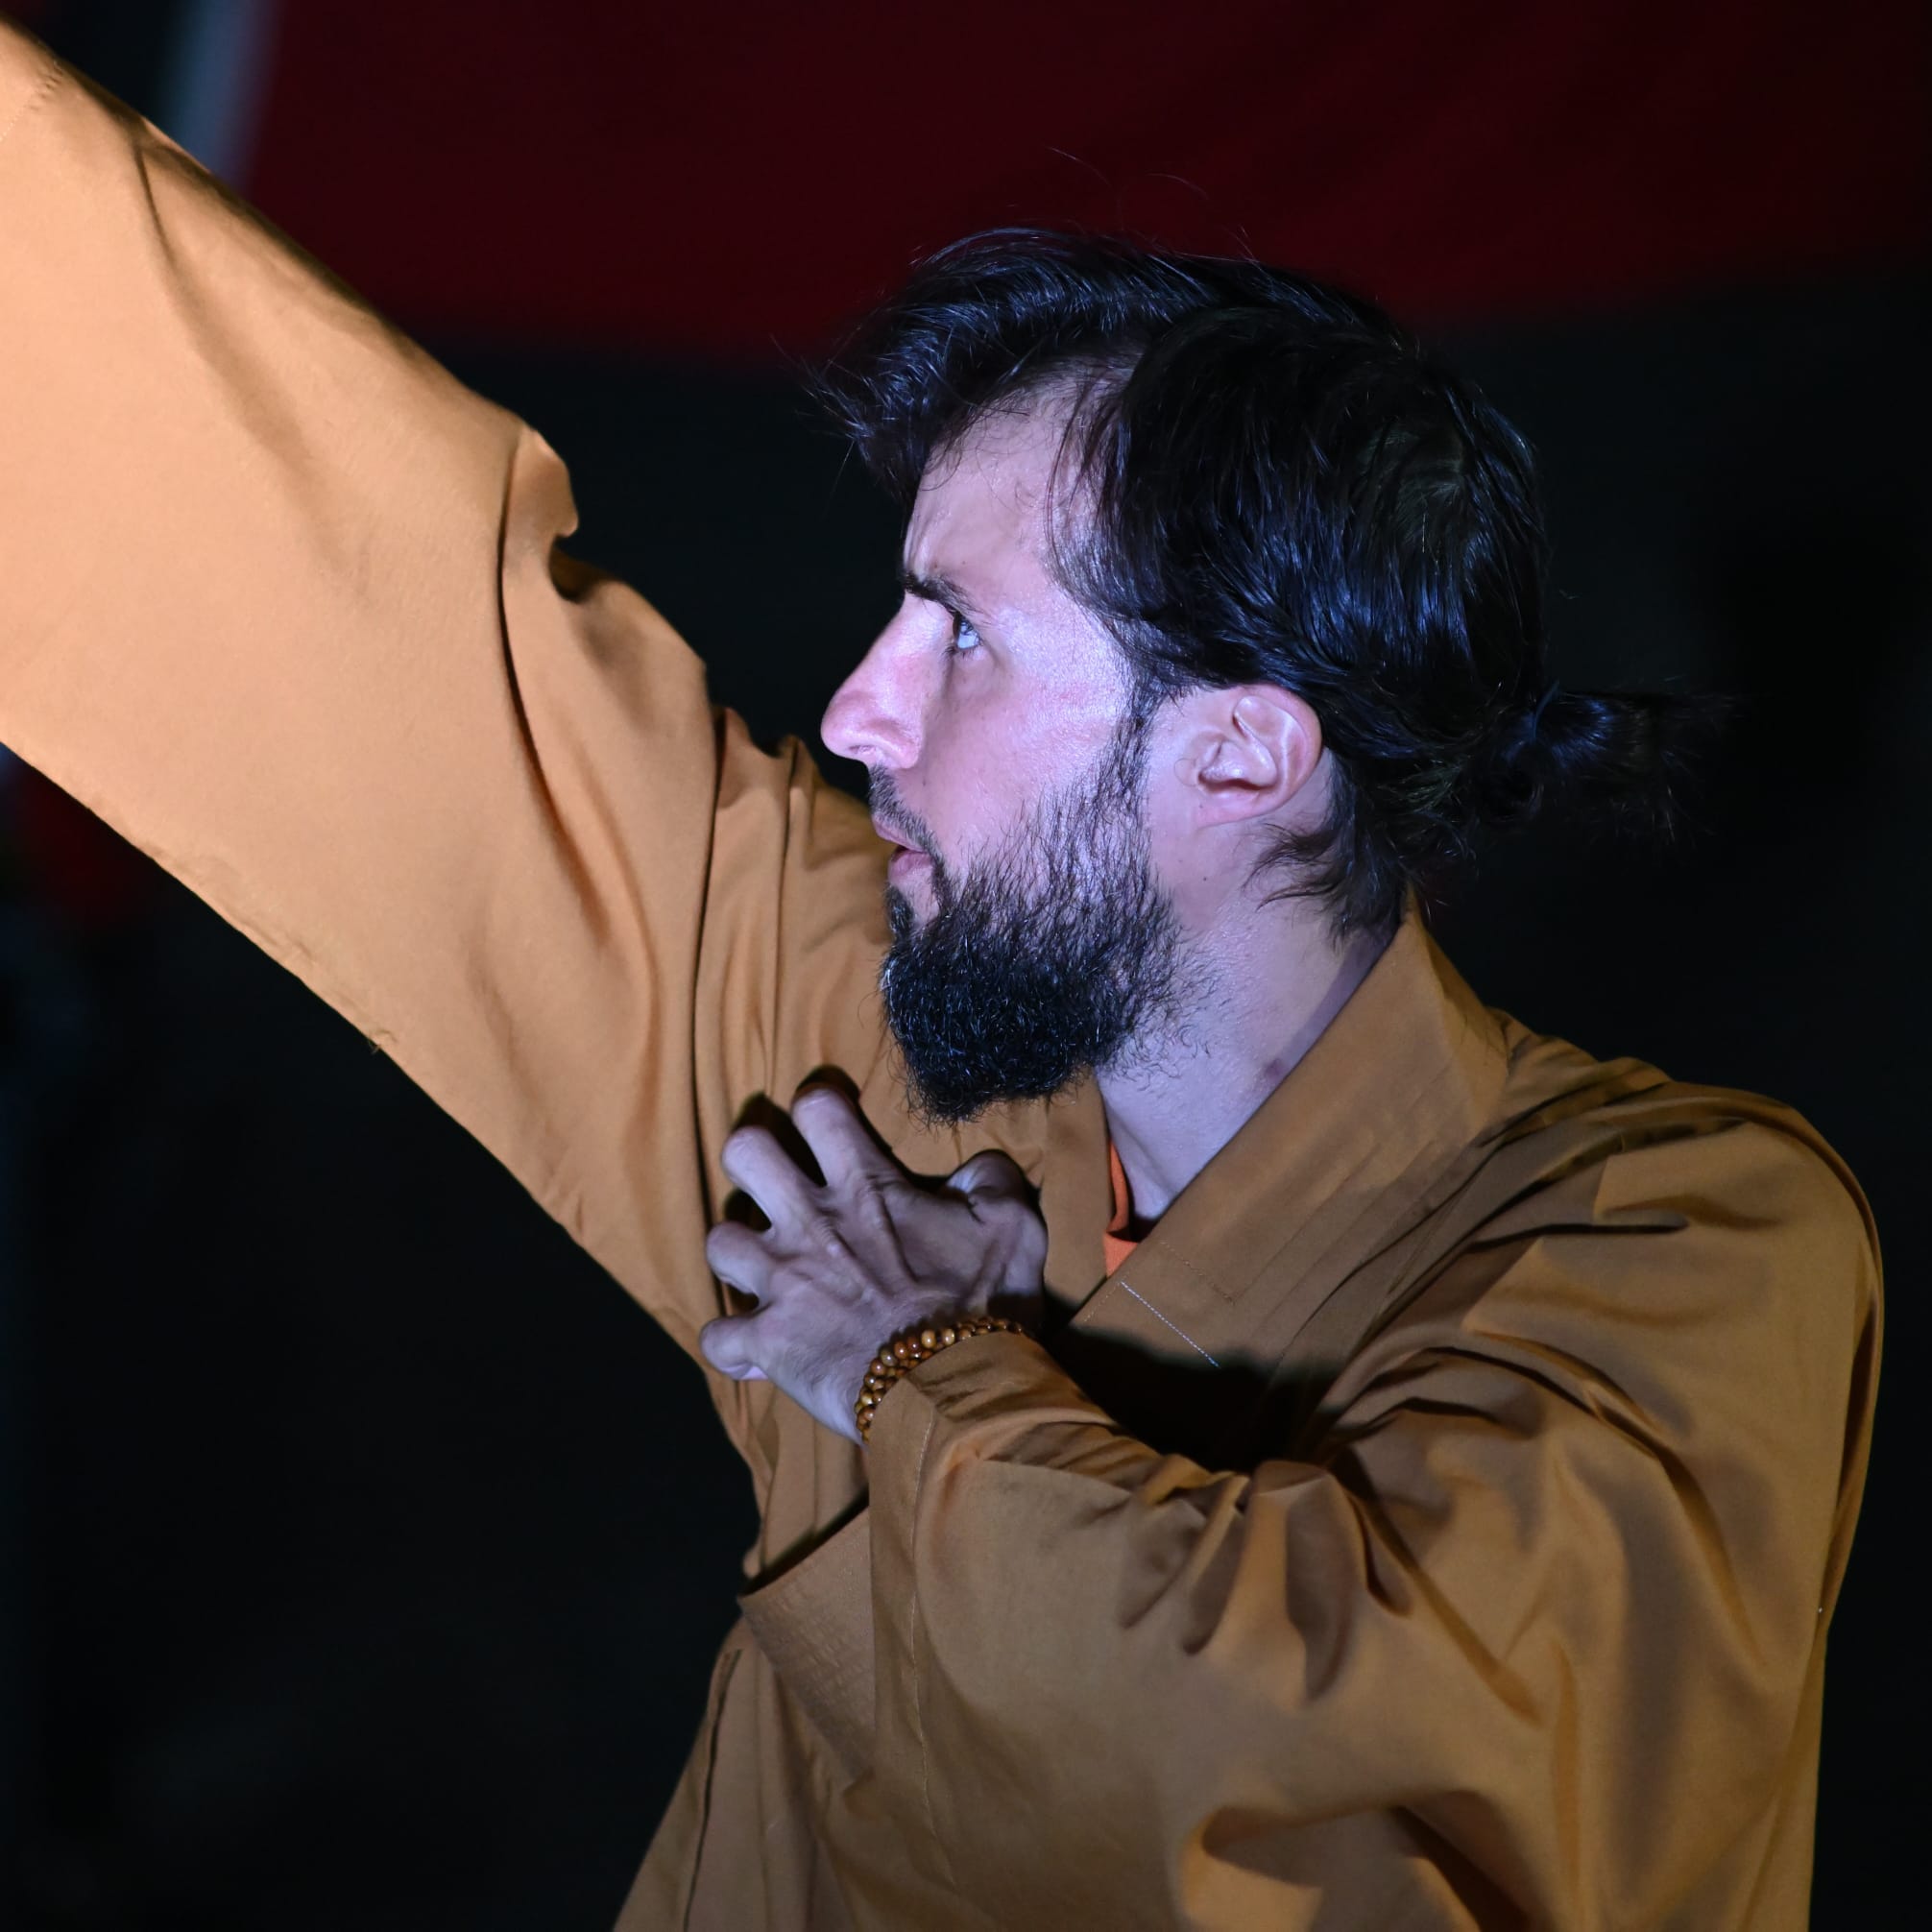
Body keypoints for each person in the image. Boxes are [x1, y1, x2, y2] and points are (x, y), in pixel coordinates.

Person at [0, 25, 1880, 1931]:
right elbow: (408, 643)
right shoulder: (885, 1100)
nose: (856, 710)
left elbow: (1294, 1777)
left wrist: (919, 1371)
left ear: (1242, 752)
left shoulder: (1692, 1242)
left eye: (962, 637)